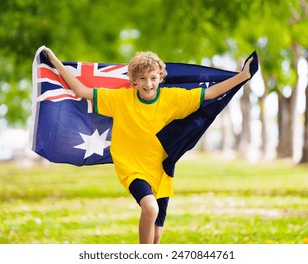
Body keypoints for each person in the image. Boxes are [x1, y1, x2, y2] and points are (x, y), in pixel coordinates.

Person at [43, 47, 253, 244]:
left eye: (153, 78)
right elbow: (81, 90)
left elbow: (208, 94)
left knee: (157, 235)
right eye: (142, 78)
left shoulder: (172, 98)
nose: (148, 84)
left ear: (161, 78)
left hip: (161, 170)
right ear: (133, 80)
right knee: (150, 208)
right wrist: (55, 61)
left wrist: (242, 76)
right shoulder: (120, 99)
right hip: (131, 167)